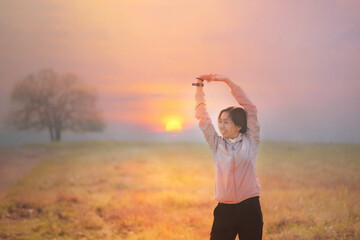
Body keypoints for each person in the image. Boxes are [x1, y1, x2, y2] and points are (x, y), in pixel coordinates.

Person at [194, 73, 263, 240]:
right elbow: (202, 117)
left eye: (226, 122)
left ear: (238, 126)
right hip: (224, 210)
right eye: (220, 121)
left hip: (249, 208)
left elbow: (251, 109)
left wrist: (227, 81)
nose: (221, 126)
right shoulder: (216, 144)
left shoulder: (251, 141)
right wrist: (198, 86)